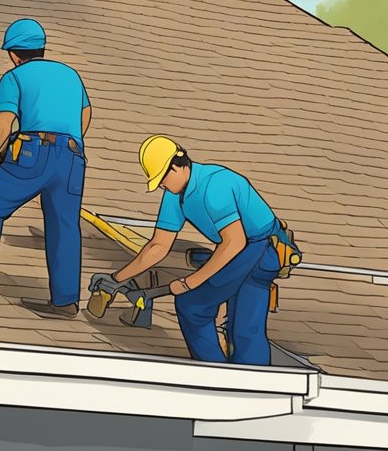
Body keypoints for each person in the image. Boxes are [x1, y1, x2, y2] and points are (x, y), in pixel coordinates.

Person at [0, 18, 91, 319]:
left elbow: (4, 121)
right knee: (64, 226)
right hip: (73, 157)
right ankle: (65, 301)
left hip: (34, 152)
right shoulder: (70, 75)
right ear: (42, 48)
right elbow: (86, 113)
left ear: (13, 52)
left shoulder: (14, 77)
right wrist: (69, 144)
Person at [110, 135, 282, 365]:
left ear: (176, 166)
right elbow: (158, 246)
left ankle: (218, 373)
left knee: (194, 305)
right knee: (243, 328)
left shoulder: (214, 185)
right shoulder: (175, 195)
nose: (162, 185)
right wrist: (116, 279)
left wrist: (189, 282)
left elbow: (234, 242)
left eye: (162, 178)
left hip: (259, 249)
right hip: (250, 251)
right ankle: (243, 378)